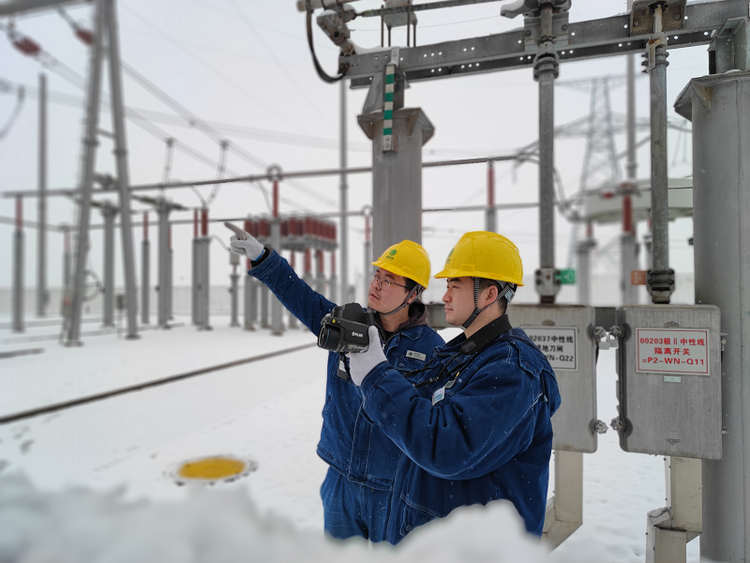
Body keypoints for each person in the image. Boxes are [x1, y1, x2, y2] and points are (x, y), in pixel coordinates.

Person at [225, 222, 444, 542]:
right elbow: (302, 297)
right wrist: (264, 259)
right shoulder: (346, 325)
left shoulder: (432, 350)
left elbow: (435, 428)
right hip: (340, 478)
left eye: (389, 280)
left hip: (395, 487)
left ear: (413, 294)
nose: (377, 285)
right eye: (377, 277)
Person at [348, 230, 561, 544]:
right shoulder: (462, 357)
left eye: (454, 286)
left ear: (489, 295)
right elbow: (416, 416)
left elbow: (445, 447)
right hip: (438, 544)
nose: (444, 296)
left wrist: (377, 376)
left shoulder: (512, 371)